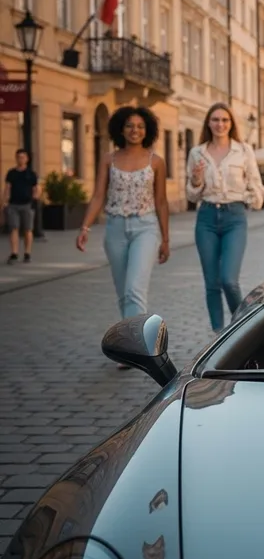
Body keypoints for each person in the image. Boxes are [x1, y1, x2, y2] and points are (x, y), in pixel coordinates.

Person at [77, 106, 170, 367]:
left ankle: (133, 350)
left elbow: (161, 202)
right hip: (115, 228)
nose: (135, 130)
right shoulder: (109, 159)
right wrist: (85, 227)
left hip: (146, 228)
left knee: (134, 290)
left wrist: (166, 239)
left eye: (140, 126)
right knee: (122, 293)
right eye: (129, 125)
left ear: (147, 130)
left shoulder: (156, 161)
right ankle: (133, 341)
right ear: (121, 129)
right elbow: (98, 195)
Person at [186, 102, 264, 333]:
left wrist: (256, 198)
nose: (220, 124)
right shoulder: (197, 152)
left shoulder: (243, 150)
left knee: (229, 280)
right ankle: (218, 334)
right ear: (208, 123)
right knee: (211, 283)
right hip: (206, 217)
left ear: (231, 124)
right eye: (215, 120)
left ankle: (242, 326)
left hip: (235, 216)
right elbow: (191, 195)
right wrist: (196, 179)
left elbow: (255, 185)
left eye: (225, 120)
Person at [3, 149, 39, 264]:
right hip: (13, 204)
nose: (21, 159)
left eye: (23, 157)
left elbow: (36, 189)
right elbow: (7, 188)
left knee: (28, 229)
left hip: (27, 204)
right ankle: (14, 253)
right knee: (13, 228)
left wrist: (34, 200)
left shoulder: (31, 174)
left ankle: (27, 253)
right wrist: (4, 202)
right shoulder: (11, 173)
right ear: (16, 158)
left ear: (27, 159)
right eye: (19, 157)